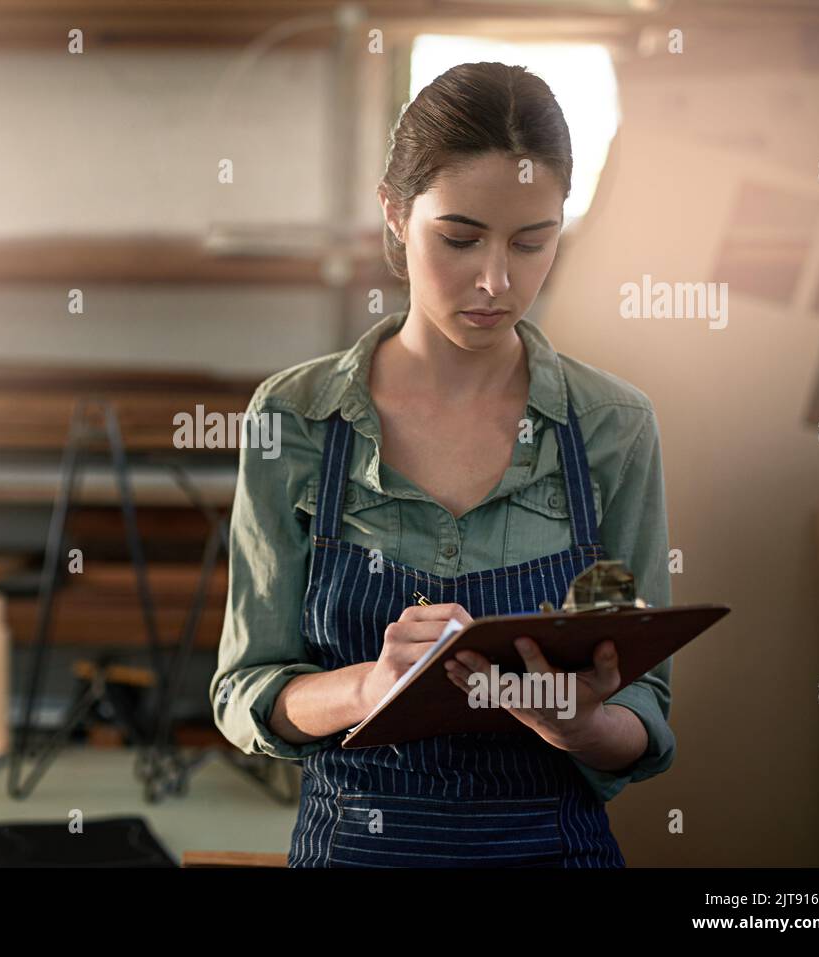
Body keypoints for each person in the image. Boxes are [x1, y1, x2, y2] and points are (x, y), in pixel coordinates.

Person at [210, 62, 676, 868]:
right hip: (355, 850)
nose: (496, 280)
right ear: (394, 213)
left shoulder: (613, 429)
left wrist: (584, 724)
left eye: (532, 241)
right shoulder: (294, 419)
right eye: (459, 238)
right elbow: (245, 690)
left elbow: (647, 705)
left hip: (553, 851)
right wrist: (366, 686)